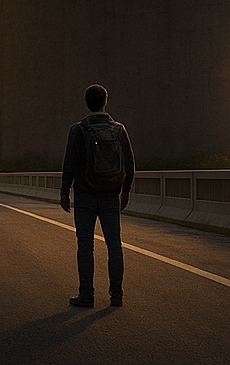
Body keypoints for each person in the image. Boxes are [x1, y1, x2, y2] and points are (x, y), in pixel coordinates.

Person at [60, 83, 135, 307]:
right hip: (111, 194)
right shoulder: (119, 129)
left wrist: (65, 191)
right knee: (114, 245)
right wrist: (126, 190)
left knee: (85, 245)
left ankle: (87, 294)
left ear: (86, 103)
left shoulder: (79, 129)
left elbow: (70, 163)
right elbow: (130, 163)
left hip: (84, 194)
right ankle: (116, 294)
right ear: (105, 101)